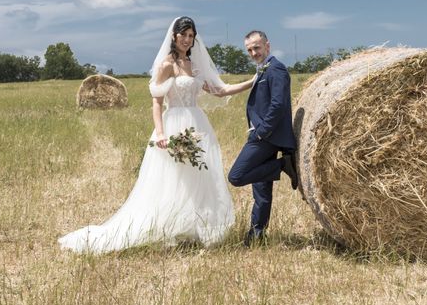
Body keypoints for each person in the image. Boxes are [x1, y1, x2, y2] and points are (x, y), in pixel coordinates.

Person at [58, 17, 245, 253]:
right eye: (183, 35)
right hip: (174, 123)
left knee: (199, 176)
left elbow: (220, 90)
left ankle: (196, 227)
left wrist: (254, 81)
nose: (187, 40)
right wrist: (160, 133)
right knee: (172, 179)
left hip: (197, 125)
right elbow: (157, 103)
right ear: (174, 36)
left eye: (191, 36)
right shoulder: (166, 65)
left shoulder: (194, 65)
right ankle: (166, 226)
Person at [209, 30, 297, 246]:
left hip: (266, 137)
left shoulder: (276, 69)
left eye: (257, 47)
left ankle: (281, 165)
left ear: (267, 45)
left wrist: (260, 132)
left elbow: (278, 105)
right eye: (249, 49)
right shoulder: (263, 70)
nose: (253, 52)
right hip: (263, 135)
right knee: (262, 190)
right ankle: (256, 235)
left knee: (236, 176)